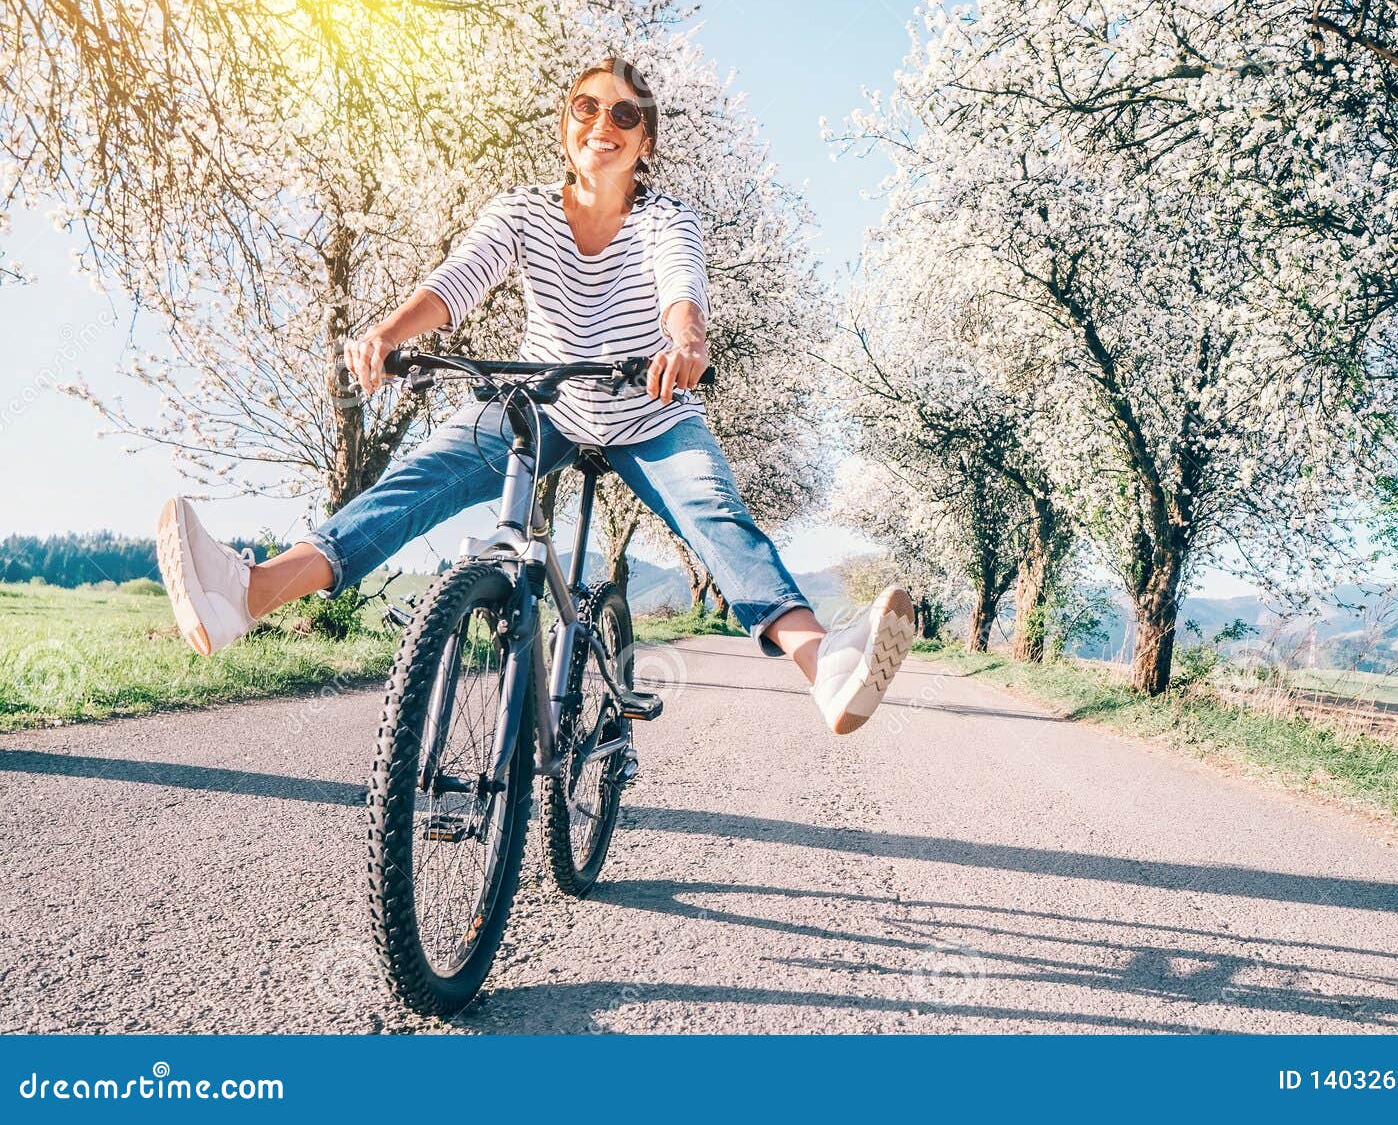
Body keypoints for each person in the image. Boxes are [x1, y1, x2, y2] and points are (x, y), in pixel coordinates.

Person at [154, 56, 913, 735]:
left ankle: (827, 665)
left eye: (624, 114)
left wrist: (686, 344)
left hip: (648, 411)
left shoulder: (665, 220)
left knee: (716, 515)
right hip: (544, 402)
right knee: (417, 481)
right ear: (565, 128)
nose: (603, 125)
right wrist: (388, 332)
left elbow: (682, 290)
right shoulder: (521, 212)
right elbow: (456, 281)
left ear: (645, 141)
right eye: (587, 108)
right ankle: (247, 594)